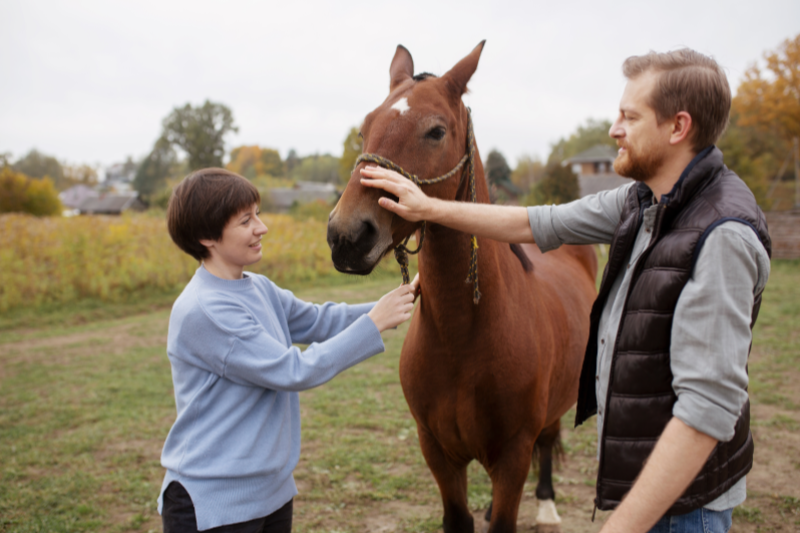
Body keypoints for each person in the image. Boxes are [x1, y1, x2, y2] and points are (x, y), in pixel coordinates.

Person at [360, 49, 771, 533]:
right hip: (648, 483)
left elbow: (707, 412)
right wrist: (428, 207)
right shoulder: (647, 200)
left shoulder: (721, 234)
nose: (614, 129)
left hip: (685, 507)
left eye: (629, 117)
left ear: (678, 127)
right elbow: (540, 221)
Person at [159, 168, 418, 533]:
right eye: (246, 220)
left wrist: (397, 302)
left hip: (272, 492)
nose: (261, 228)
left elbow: (318, 320)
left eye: (258, 215)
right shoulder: (206, 309)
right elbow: (292, 370)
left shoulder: (258, 287)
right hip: (215, 504)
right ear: (206, 237)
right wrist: (374, 323)